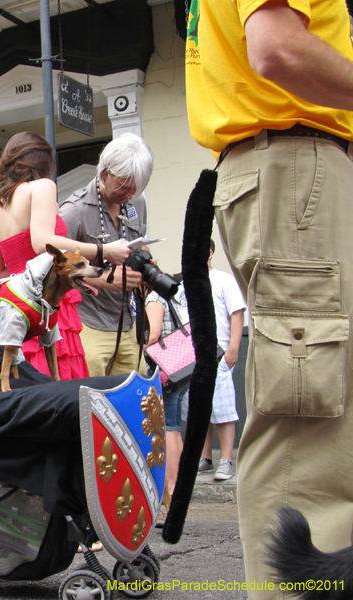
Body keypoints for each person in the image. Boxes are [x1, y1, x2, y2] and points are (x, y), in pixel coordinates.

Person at [184, 1, 353, 593]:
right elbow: (277, 47)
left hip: (291, 168)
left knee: (318, 415)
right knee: (306, 426)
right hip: (297, 166)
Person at [0, 131, 132, 380]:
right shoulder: (42, 187)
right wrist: (103, 250)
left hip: (17, 311)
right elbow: (42, 242)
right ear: (44, 163)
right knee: (62, 391)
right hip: (49, 306)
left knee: (29, 392)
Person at [59, 133, 154, 377]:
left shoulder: (137, 204)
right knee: (91, 403)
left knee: (137, 402)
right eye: (124, 186)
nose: (130, 194)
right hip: (88, 325)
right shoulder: (74, 210)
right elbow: (54, 268)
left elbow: (138, 246)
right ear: (105, 174)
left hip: (129, 324)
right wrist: (106, 280)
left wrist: (145, 265)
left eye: (136, 187)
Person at [193, 241, 246, 482]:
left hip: (220, 353)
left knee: (223, 409)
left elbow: (237, 313)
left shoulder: (224, 280)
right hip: (192, 356)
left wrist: (233, 349)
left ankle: (226, 460)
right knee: (199, 409)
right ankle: (205, 458)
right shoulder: (187, 282)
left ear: (210, 252)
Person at [145, 273, 188, 523]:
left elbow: (153, 335)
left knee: (168, 430)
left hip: (166, 371)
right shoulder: (176, 295)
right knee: (175, 429)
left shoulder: (154, 298)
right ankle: (178, 492)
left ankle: (171, 495)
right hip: (183, 369)